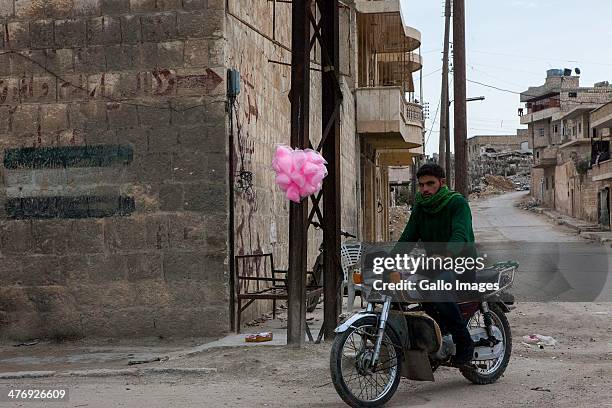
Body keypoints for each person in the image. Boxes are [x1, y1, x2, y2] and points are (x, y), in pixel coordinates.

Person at [397, 163, 476, 365]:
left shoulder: (457, 203)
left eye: (430, 184)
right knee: (406, 285)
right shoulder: (421, 207)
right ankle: (433, 338)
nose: (425, 189)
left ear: (442, 183)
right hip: (433, 265)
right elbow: (408, 238)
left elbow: (460, 234)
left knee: (438, 287)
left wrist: (447, 254)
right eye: (421, 185)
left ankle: (463, 340)